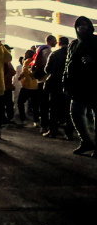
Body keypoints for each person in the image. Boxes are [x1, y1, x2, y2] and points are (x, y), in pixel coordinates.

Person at [63, 16, 97, 157]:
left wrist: (93, 61)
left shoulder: (96, 41)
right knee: (76, 113)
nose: (82, 27)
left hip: (94, 84)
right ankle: (86, 141)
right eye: (79, 25)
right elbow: (68, 64)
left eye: (84, 24)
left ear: (89, 26)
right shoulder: (73, 44)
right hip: (77, 86)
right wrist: (65, 81)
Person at [43, 36, 74, 139]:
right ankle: (69, 133)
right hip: (69, 85)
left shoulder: (54, 54)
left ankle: (53, 131)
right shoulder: (72, 54)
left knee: (54, 109)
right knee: (68, 110)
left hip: (55, 85)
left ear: (59, 43)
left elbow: (47, 70)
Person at [32, 35, 57, 133]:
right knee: (46, 104)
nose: (56, 42)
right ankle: (45, 125)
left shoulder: (40, 49)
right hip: (46, 80)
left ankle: (44, 124)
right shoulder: (47, 51)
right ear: (50, 41)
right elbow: (48, 67)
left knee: (43, 104)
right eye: (54, 40)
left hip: (40, 80)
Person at [17, 50, 40, 124]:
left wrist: (20, 77)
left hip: (26, 86)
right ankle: (36, 121)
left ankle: (23, 119)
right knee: (35, 105)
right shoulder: (36, 61)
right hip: (35, 86)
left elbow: (26, 71)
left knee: (20, 102)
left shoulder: (27, 61)